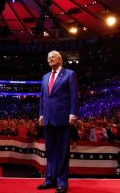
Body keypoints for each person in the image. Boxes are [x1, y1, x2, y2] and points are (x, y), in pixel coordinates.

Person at [37, 50, 79, 193]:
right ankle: (50, 180)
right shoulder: (45, 77)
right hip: (48, 120)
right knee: (50, 152)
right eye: (48, 57)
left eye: (53, 57)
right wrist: (41, 114)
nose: (50, 59)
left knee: (62, 152)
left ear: (60, 59)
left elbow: (74, 96)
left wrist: (73, 113)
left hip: (62, 119)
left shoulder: (69, 74)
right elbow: (43, 98)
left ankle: (62, 182)